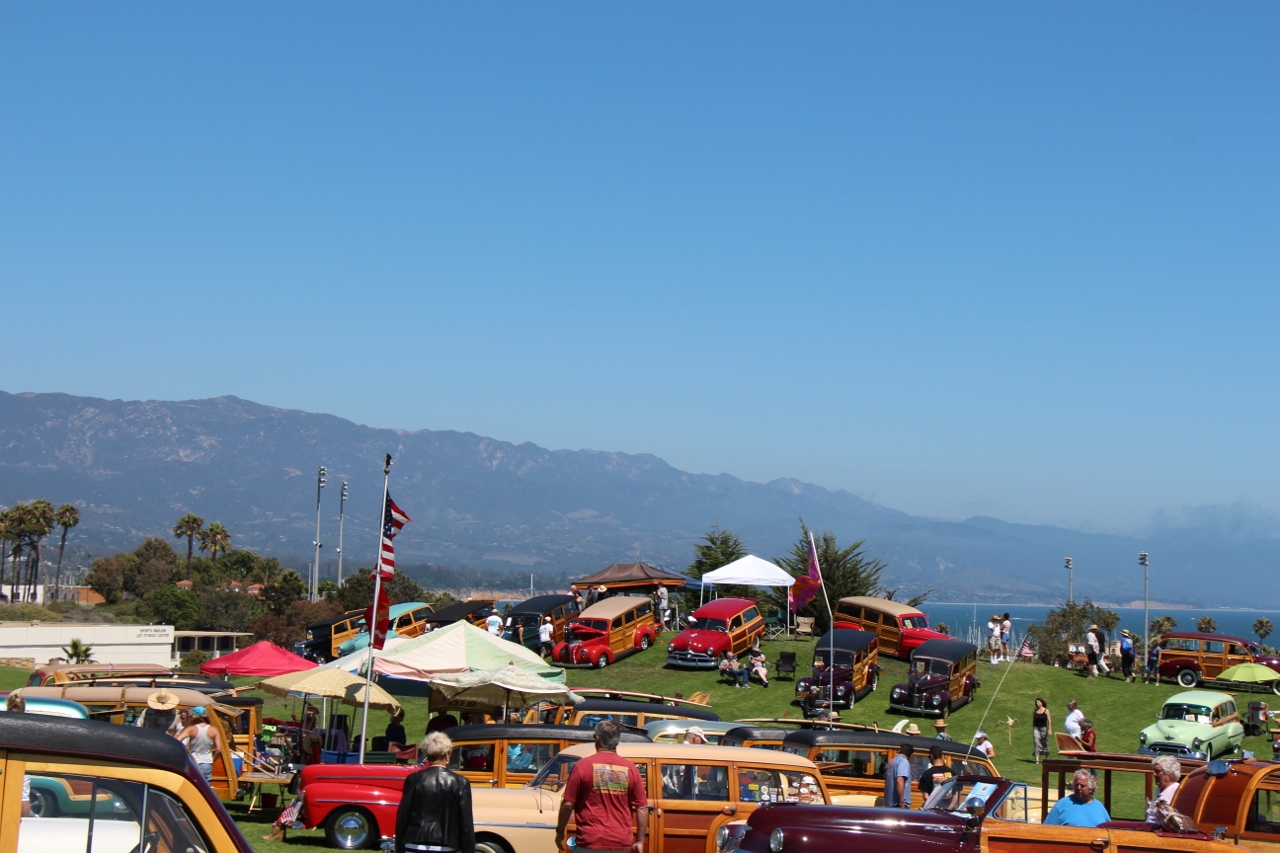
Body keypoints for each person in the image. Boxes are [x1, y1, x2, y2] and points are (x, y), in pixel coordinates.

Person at [556, 720, 648, 853]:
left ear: (597, 739)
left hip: (590, 840)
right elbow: (642, 807)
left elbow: (567, 805)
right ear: (616, 741)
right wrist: (639, 840)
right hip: (620, 842)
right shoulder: (630, 768)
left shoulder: (582, 766)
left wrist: (560, 831)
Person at [396, 731, 476, 853]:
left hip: (414, 843)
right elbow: (466, 825)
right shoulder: (460, 782)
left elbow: (403, 818)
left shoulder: (414, 779)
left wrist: (399, 848)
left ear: (427, 754)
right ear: (447, 754)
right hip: (446, 844)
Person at [1045, 769, 1111, 826]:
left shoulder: (1099, 806)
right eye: (1076, 785)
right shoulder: (1062, 804)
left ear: (1091, 788)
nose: (1078, 788)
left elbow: (1109, 829)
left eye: (1082, 786)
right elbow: (1046, 829)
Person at [176, 706, 222, 781]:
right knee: (205, 789)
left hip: (193, 762)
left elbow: (177, 741)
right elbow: (218, 750)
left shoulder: (191, 729)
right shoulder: (214, 730)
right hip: (207, 763)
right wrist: (212, 761)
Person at [7, 693, 31, 816]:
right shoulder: (27, 726)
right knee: (23, 795)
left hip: (3, 761)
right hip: (21, 763)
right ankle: (24, 824)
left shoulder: (3, 722)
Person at [1147, 756, 1182, 823]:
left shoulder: (1177, 792)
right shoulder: (1159, 790)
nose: (1154, 774)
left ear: (1170, 774)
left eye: (1158, 771)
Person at [884, 743, 914, 808]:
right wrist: (901, 801)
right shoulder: (903, 761)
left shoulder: (891, 761)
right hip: (898, 804)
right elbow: (900, 780)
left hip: (889, 803)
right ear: (911, 755)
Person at [1032, 697, 1051, 764]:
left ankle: (1046, 757)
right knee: (1036, 742)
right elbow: (1033, 720)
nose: (1037, 704)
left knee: (1045, 742)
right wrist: (1033, 728)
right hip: (1036, 728)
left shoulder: (1046, 711)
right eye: (1036, 702)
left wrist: (1050, 729)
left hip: (1044, 728)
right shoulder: (1035, 711)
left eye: (1038, 702)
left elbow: (1049, 720)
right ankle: (1037, 759)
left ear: (1041, 703)